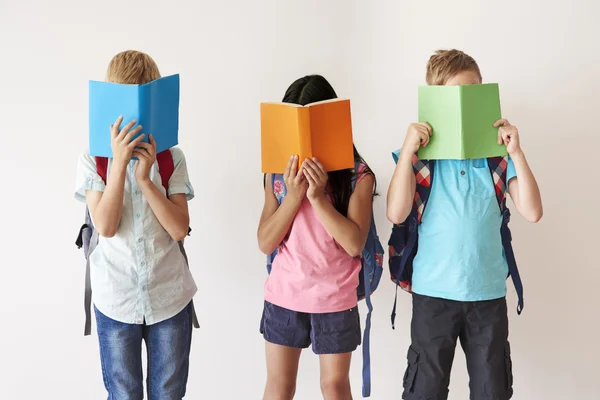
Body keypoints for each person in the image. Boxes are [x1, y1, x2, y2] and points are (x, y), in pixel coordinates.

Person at [387, 49, 543, 400]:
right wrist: (409, 149)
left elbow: (532, 211)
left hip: (486, 294)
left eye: (474, 92)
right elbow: (396, 213)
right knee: (424, 390)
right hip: (433, 294)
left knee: (493, 390)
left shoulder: (495, 158)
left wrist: (516, 152)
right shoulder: (420, 159)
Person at [74, 50, 196, 400]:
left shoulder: (171, 158)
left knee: (168, 394)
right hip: (116, 298)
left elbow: (178, 229)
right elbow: (106, 226)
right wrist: (120, 165)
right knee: (124, 394)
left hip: (169, 297)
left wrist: (145, 179)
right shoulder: (92, 158)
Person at [257, 74, 376, 400]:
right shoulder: (277, 173)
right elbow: (265, 241)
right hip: (284, 295)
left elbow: (354, 243)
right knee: (279, 386)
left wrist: (317, 198)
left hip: (335, 298)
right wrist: (294, 197)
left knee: (334, 386)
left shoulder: (359, 175)